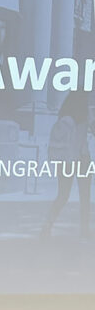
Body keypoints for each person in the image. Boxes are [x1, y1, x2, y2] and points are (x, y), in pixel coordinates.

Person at [42, 90, 92, 239]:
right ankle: (83, 230)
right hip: (77, 160)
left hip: (70, 161)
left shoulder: (66, 119)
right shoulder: (79, 119)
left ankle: (48, 224)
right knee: (81, 197)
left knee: (65, 196)